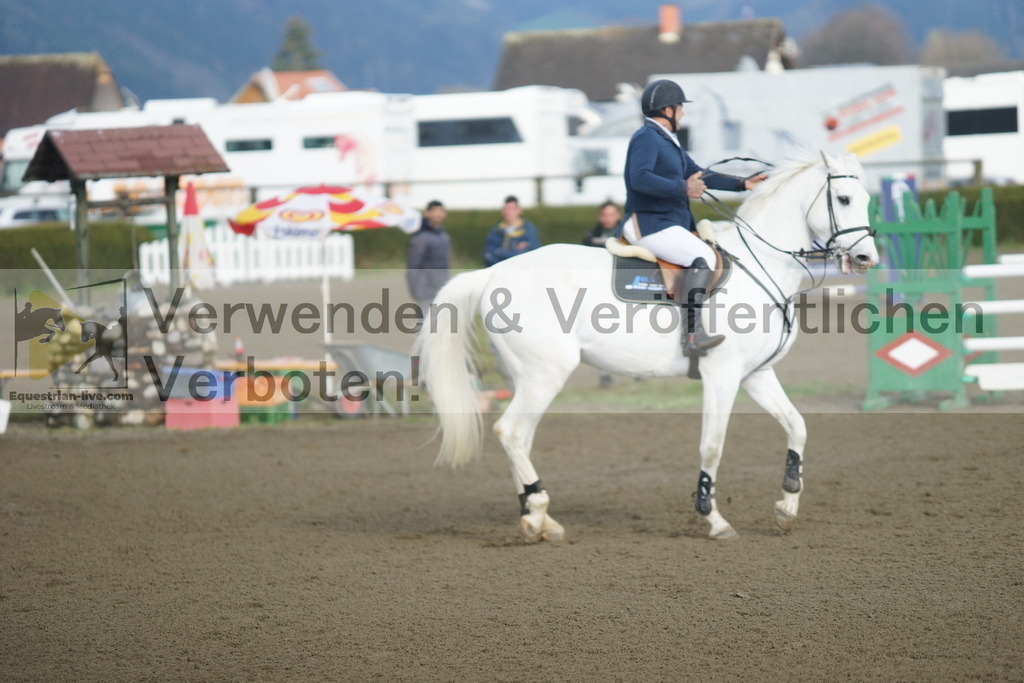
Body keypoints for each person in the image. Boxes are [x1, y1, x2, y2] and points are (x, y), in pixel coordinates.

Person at [624, 79, 767, 358]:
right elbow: (639, 178)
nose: (683, 113)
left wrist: (743, 184)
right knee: (703, 257)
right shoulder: (646, 137)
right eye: (680, 108)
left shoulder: (668, 140)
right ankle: (691, 334)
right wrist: (682, 187)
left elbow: (699, 175)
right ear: (667, 110)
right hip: (651, 223)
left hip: (667, 222)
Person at [406, 200, 452, 318]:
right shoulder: (420, 238)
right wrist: (416, 289)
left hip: (442, 286)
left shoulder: (444, 237)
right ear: (427, 213)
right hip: (425, 289)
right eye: (434, 211)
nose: (438, 214)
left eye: (440, 211)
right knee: (425, 322)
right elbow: (413, 266)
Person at [483, 195, 540, 266]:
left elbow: (533, 254)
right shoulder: (496, 231)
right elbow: (489, 255)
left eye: (511, 209)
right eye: (506, 209)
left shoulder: (529, 230)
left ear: (519, 210)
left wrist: (501, 253)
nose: (508, 212)